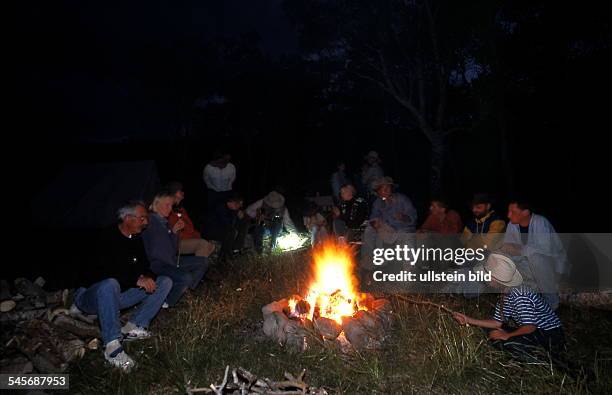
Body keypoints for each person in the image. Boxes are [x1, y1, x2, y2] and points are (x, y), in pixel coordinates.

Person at [71, 201, 172, 371]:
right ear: (127, 219)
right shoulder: (104, 237)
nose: (146, 222)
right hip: (90, 296)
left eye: (145, 218)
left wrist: (147, 277)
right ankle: (111, 346)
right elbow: (100, 273)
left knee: (165, 281)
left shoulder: (136, 239)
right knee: (110, 284)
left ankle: (134, 326)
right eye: (142, 218)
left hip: (117, 297)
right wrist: (135, 279)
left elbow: (146, 267)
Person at [452, 254, 564, 359]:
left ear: (494, 279)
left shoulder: (519, 294)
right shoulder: (504, 293)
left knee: (510, 343)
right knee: (491, 330)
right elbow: (497, 323)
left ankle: (540, 357)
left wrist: (507, 335)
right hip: (534, 331)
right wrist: (468, 320)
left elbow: (530, 326)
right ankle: (516, 345)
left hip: (550, 334)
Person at [142, 191, 209, 307]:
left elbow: (174, 248)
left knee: (203, 262)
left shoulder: (166, 223)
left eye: (171, 206)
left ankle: (186, 291)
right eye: (166, 205)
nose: (170, 209)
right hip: (158, 264)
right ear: (156, 204)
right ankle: (167, 302)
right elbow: (151, 246)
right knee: (185, 277)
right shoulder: (150, 221)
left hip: (171, 260)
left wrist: (174, 232)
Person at [500, 199, 567, 310]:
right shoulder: (512, 225)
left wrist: (519, 249)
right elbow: (509, 248)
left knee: (536, 258)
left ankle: (552, 303)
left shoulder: (540, 222)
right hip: (527, 268)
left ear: (525, 212)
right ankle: (512, 304)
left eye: (513, 212)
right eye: (508, 211)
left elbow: (545, 251)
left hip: (551, 268)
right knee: (501, 258)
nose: (508, 215)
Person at [360, 177, 417, 269]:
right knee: (369, 230)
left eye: (388, 187)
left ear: (392, 189)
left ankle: (409, 271)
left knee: (406, 237)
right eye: (383, 188)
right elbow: (373, 218)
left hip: (402, 229)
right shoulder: (378, 202)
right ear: (378, 191)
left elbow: (413, 216)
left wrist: (403, 217)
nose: (386, 190)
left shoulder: (402, 199)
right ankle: (369, 265)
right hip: (387, 231)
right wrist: (375, 224)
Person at [165, 181, 215, 259]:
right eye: (180, 191)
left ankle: (198, 267)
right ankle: (197, 268)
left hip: (185, 238)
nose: (183, 193)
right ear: (173, 193)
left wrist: (197, 235)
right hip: (175, 241)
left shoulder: (181, 209)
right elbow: (176, 231)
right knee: (202, 244)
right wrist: (194, 237)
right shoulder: (168, 209)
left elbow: (189, 227)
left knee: (210, 245)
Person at [203, 195, 249, 262]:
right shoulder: (220, 207)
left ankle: (236, 249)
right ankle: (225, 257)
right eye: (239, 204)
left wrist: (242, 217)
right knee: (231, 232)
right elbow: (227, 223)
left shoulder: (231, 208)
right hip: (211, 230)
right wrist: (235, 213)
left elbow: (233, 223)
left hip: (222, 228)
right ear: (232, 202)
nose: (240, 206)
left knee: (244, 222)